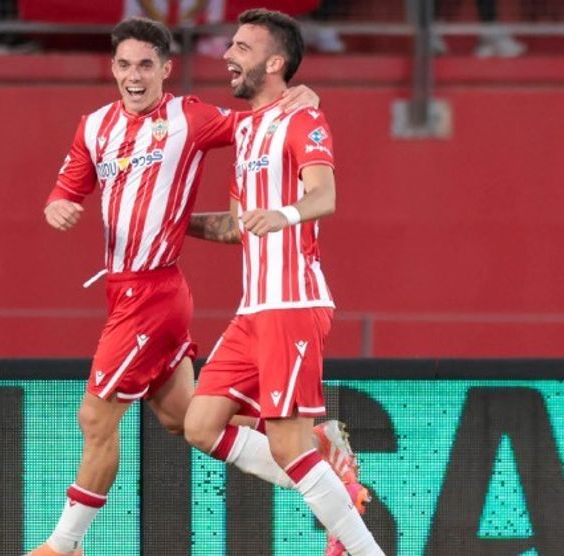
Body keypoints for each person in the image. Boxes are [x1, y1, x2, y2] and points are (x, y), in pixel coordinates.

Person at [27, 16, 352, 556]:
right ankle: (321, 462)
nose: (134, 76)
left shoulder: (190, 117)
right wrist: (56, 206)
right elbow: (67, 190)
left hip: (154, 293)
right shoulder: (94, 126)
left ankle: (64, 545)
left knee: (95, 415)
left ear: (165, 69)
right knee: (188, 421)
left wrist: (305, 95)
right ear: (112, 68)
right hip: (122, 291)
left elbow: (261, 118)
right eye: (124, 65)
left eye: (145, 65)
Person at [184, 9, 383, 555]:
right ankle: (330, 471)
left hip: (292, 303)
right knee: (200, 425)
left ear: (274, 63)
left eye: (242, 48)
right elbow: (236, 226)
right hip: (253, 311)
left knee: (289, 447)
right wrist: (175, 223)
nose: (228, 55)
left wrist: (285, 214)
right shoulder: (245, 130)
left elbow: (325, 195)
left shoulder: (304, 117)